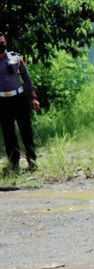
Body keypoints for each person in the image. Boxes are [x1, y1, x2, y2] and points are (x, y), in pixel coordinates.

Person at [0, 32, 40, 174]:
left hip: (19, 99)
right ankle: (14, 165)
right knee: (8, 134)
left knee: (26, 132)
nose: (2, 45)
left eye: (3, 43)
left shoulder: (16, 58)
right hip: (2, 102)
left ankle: (32, 162)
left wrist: (34, 97)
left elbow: (27, 79)